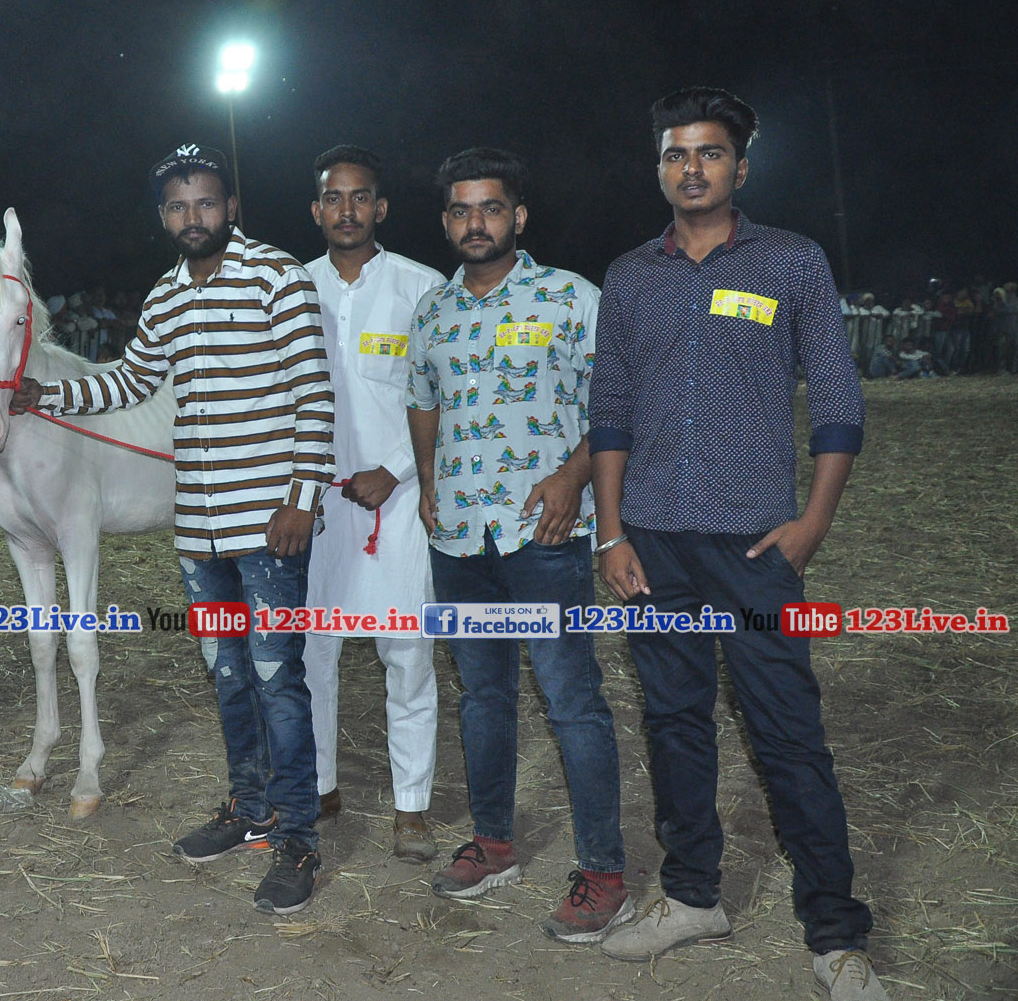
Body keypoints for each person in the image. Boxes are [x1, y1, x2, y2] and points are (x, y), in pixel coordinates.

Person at [589, 88, 885, 1001]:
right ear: (659, 168)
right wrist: (611, 532)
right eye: (676, 153)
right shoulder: (630, 276)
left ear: (740, 168)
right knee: (674, 723)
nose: (692, 168)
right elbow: (611, 410)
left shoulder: (791, 262)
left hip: (757, 545)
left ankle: (835, 935)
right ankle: (692, 898)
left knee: (787, 733)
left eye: (709, 153)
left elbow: (836, 398)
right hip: (653, 545)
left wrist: (813, 523)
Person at [11, 142, 333, 915]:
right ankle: (249, 808)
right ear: (165, 216)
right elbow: (130, 381)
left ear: (231, 206)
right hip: (199, 531)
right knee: (227, 674)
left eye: (206, 202)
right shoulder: (165, 297)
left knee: (277, 679)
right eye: (179, 206)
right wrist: (47, 396)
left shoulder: (278, 277)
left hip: (269, 525)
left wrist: (302, 500)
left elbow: (315, 395)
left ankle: (297, 838)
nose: (194, 217)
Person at [406, 147, 629, 944]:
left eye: (491, 208)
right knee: (483, 697)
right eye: (461, 210)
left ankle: (604, 873)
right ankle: (493, 843)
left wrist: (572, 478)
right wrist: (427, 481)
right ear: (445, 221)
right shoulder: (432, 311)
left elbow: (616, 405)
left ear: (519, 216)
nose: (476, 223)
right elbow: (423, 400)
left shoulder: (572, 298)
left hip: (545, 534)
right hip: (459, 538)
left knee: (571, 700)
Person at [299, 145, 444, 860]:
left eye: (360, 198)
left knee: (408, 656)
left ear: (380, 208)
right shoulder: (292, 289)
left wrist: (396, 470)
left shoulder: (423, 288)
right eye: (334, 197)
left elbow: (450, 395)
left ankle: (411, 807)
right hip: (315, 507)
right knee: (311, 651)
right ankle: (319, 785)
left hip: (400, 504)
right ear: (316, 209)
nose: (347, 210)